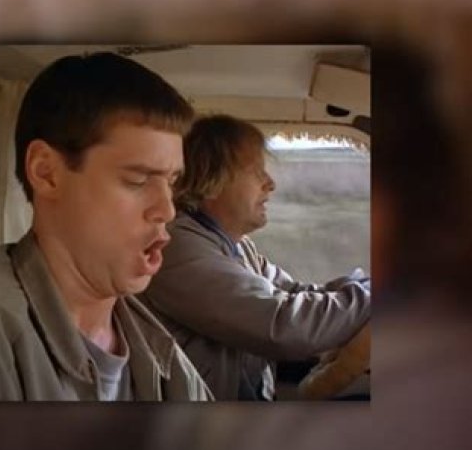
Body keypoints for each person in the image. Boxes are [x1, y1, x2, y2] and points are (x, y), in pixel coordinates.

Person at [0, 52, 211, 401]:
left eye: (172, 182)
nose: (167, 209)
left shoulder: (162, 356)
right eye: (137, 180)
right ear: (46, 173)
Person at [139, 114, 370, 401]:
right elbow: (282, 326)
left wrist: (367, 288)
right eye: (257, 172)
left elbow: (295, 294)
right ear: (213, 179)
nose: (270, 184)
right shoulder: (178, 248)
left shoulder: (236, 246)